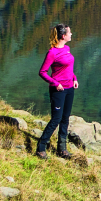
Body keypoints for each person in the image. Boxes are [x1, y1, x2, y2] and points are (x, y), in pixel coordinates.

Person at [35, 24, 78, 159]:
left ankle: (62, 148)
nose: (71, 34)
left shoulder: (67, 48)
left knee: (65, 119)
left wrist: (74, 78)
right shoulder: (52, 53)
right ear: (63, 36)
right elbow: (42, 72)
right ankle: (41, 147)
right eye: (70, 33)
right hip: (58, 90)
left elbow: (69, 68)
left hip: (70, 88)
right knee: (56, 119)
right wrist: (55, 83)